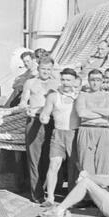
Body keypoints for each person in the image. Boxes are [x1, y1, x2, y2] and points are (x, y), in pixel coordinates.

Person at [38, 142, 109, 217]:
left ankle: (59, 210)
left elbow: (106, 182)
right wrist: (90, 177)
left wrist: (87, 177)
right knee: (89, 181)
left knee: (87, 182)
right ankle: (61, 208)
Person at [19, 56, 60, 203]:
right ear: (38, 68)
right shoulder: (30, 82)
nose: (46, 72)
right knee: (34, 159)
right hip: (34, 121)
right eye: (43, 69)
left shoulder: (56, 83)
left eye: (49, 69)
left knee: (49, 158)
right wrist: (25, 107)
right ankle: (37, 195)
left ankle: (48, 190)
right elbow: (23, 101)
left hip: (52, 123)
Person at [39, 68, 81, 208]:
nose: (65, 83)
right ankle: (50, 198)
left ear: (74, 80)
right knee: (54, 165)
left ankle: (75, 197)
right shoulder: (53, 96)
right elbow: (45, 114)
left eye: (68, 80)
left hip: (74, 134)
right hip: (58, 134)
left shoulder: (80, 96)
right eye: (63, 79)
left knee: (76, 167)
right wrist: (43, 118)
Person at [75, 69, 109, 176]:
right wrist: (102, 113)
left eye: (98, 80)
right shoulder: (83, 96)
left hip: (103, 130)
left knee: (103, 162)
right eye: (92, 80)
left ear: (102, 81)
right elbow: (82, 113)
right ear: (88, 81)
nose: (95, 83)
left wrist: (92, 109)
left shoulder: (107, 96)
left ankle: (102, 190)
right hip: (86, 129)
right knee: (86, 163)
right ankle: (88, 191)